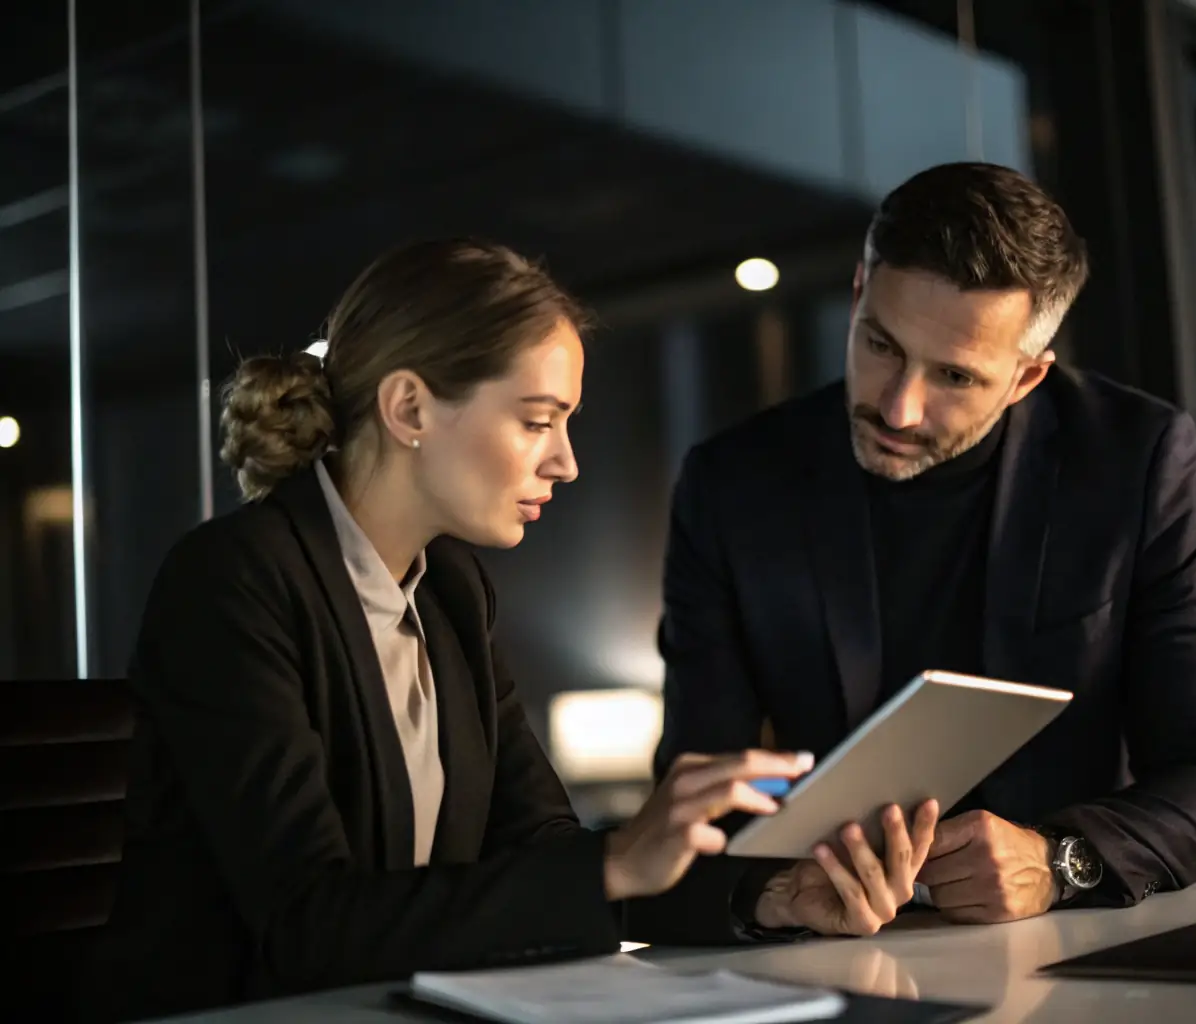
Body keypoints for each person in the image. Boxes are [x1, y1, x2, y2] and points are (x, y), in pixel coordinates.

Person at [89, 239, 939, 1022]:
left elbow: (540, 853)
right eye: (537, 420)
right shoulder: (233, 582)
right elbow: (308, 925)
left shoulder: (451, 590)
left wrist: (772, 896)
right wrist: (611, 865)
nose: (565, 459)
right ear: (410, 407)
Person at [654, 162, 1196, 926]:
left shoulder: (1138, 463)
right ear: (855, 295)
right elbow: (693, 797)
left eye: (953, 376)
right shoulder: (730, 484)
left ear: (1026, 377)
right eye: (879, 344)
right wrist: (774, 897)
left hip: (1073, 936)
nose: (899, 407)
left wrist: (1059, 860)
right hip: (831, 943)